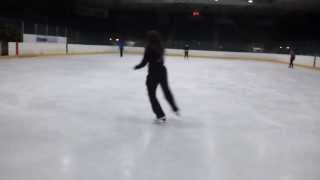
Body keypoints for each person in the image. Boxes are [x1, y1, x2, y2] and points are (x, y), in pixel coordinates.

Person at [134, 31, 179, 123]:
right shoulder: (161, 47)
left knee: (152, 95)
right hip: (162, 71)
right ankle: (174, 108)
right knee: (166, 90)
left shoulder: (149, 48)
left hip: (153, 73)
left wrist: (136, 67)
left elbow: (144, 62)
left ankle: (160, 115)